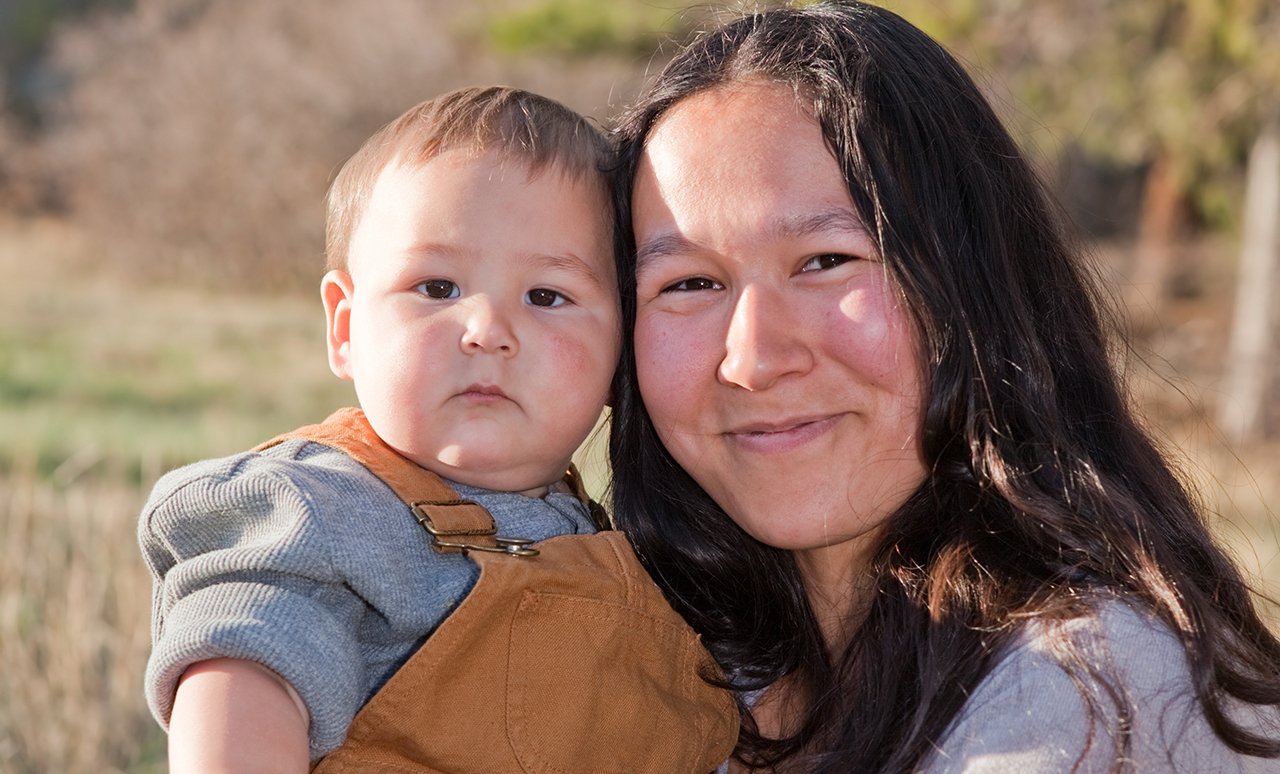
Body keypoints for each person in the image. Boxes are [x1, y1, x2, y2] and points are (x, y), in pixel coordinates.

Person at [608, 3, 1280, 772]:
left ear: (972, 282)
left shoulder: (1089, 700)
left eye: (827, 260)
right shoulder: (681, 678)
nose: (754, 359)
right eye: (690, 282)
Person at [139, 86, 735, 773]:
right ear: (345, 325)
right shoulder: (322, 510)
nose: (487, 331)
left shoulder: (631, 546)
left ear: (620, 354)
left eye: (547, 296)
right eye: (437, 288)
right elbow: (244, 669)